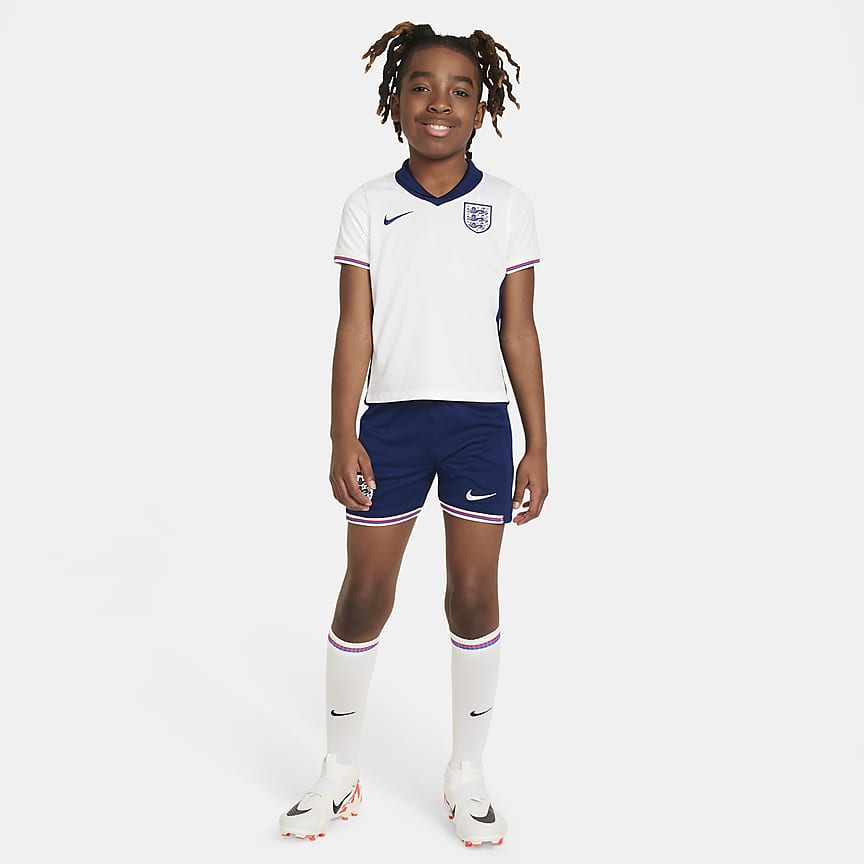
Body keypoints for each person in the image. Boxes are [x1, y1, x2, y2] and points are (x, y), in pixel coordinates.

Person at [279, 21, 548, 847]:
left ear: (482, 109)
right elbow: (353, 327)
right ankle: (339, 771)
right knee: (366, 593)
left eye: (460, 90)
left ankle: (466, 775)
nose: (440, 102)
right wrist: (341, 433)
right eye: (422, 86)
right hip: (389, 427)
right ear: (396, 102)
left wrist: (538, 443)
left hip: (478, 427)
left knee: (473, 595)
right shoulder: (368, 205)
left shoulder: (509, 208)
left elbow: (518, 330)